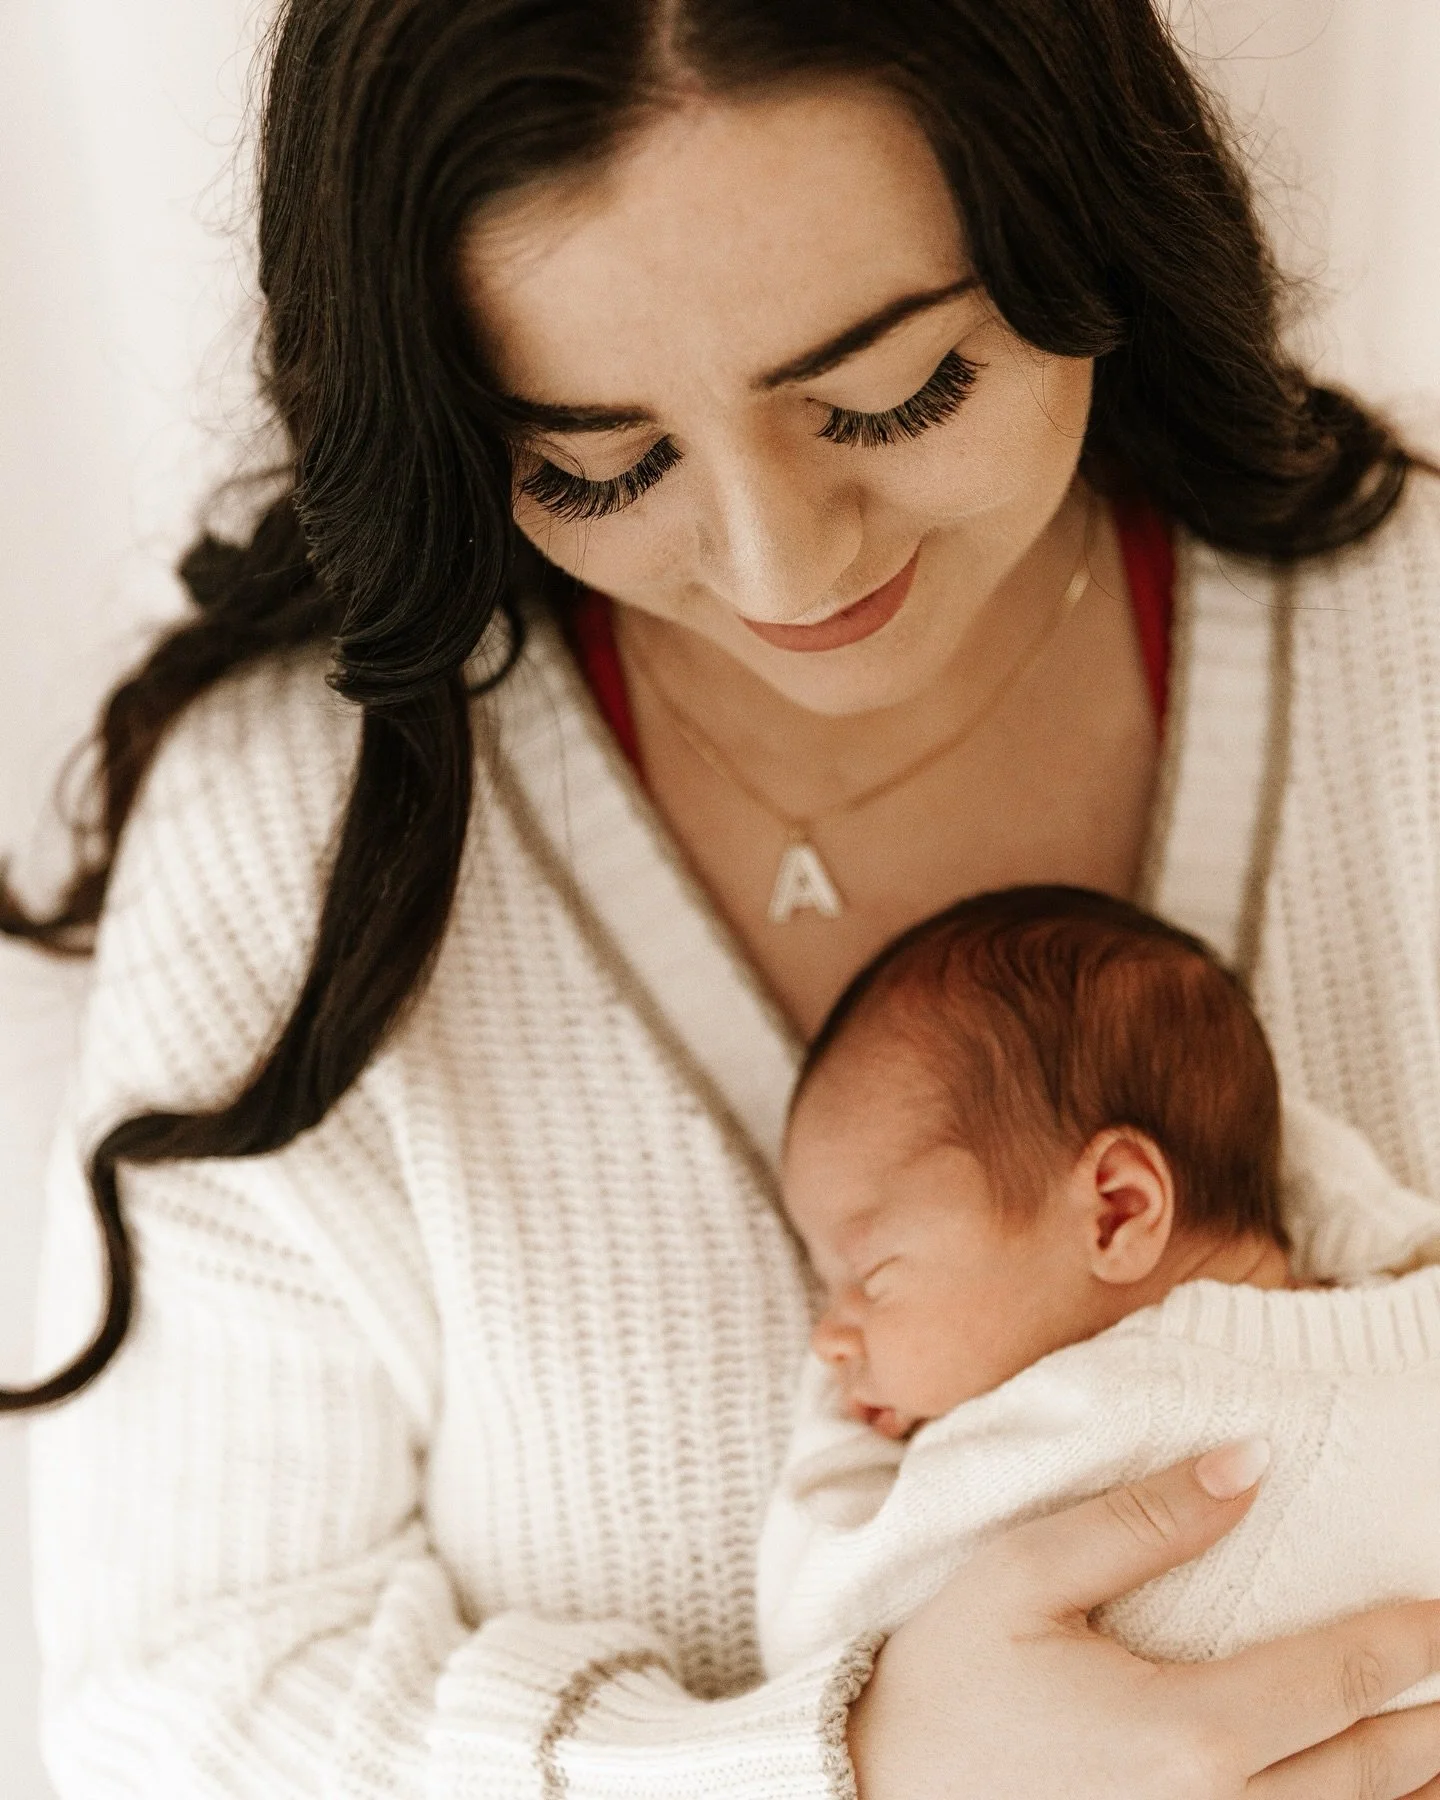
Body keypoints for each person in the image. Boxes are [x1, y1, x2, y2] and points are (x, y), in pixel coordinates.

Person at [6, 2, 1440, 1796]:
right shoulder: (294, 833)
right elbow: (172, 1718)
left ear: (1086, 219)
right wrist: (832, 1772)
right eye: (596, 464)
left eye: (892, 393)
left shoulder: (1413, 654)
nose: (784, 567)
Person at [755, 886, 1440, 1685]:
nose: (828, 1339)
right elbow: (1372, 1213)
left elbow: (812, 1633)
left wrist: (835, 1430)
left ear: (1116, 1214)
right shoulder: (1409, 1323)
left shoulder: (1056, 1434)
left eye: (869, 1276)